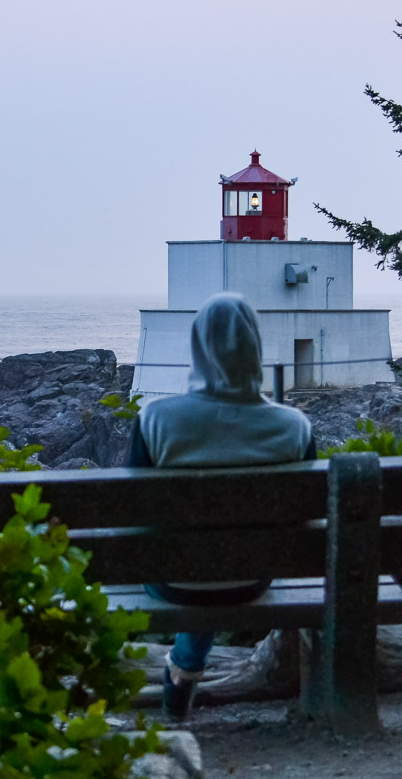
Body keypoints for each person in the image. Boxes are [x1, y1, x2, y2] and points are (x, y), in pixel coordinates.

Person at [125, 292, 315, 721]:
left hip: (173, 581)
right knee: (221, 552)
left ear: (197, 347)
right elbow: (305, 517)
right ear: (256, 349)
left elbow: (133, 512)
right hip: (252, 577)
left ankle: (183, 673)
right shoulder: (293, 426)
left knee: (192, 555)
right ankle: (183, 671)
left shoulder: (157, 419)